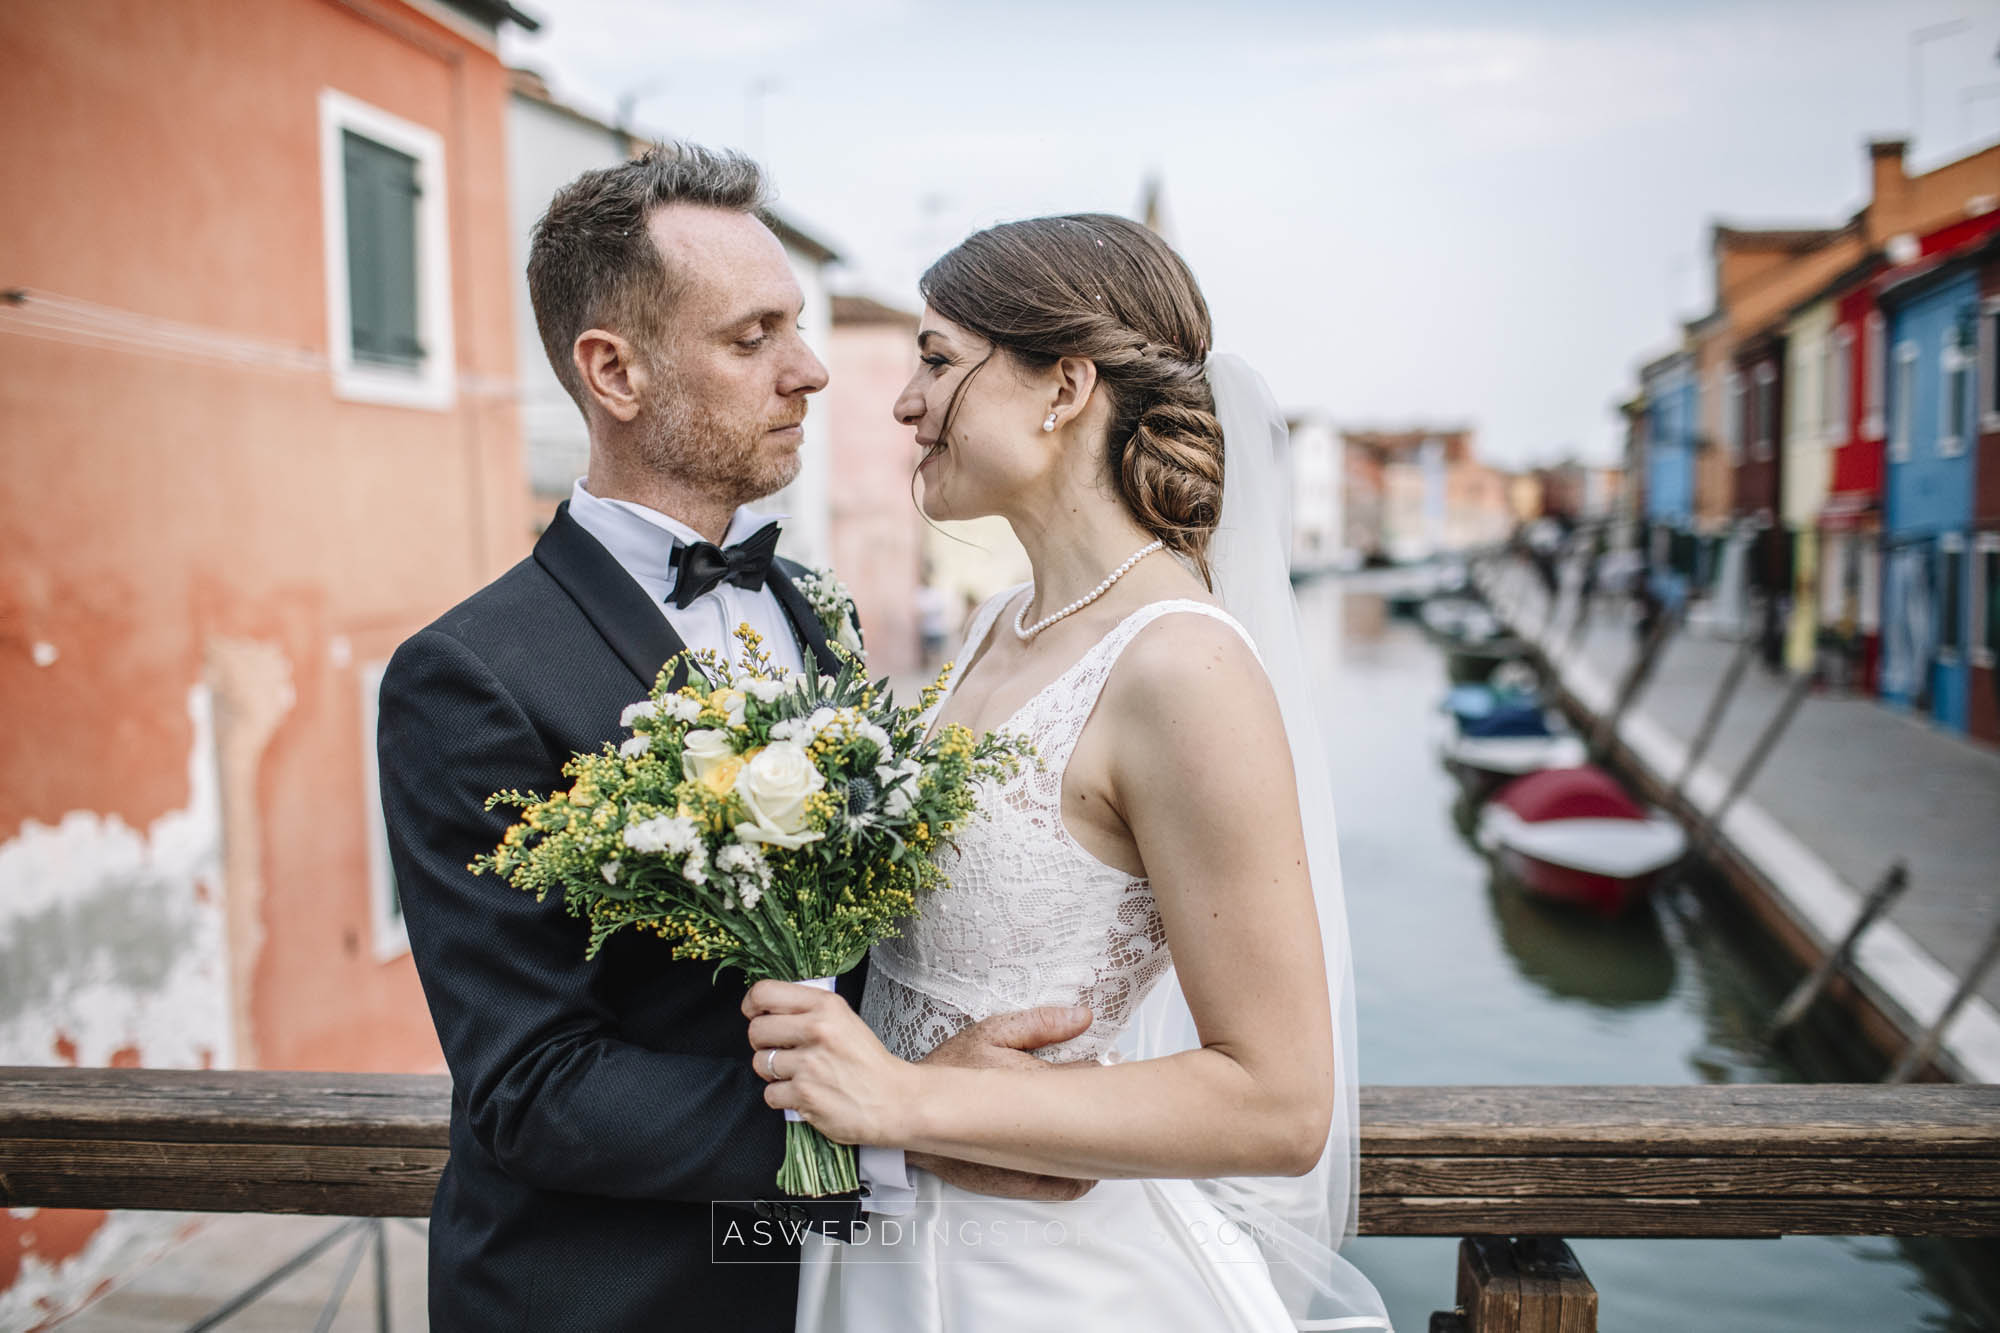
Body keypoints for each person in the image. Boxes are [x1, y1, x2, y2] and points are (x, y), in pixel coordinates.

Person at [375, 144, 1092, 1333]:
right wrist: (900, 1124)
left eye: (798, 327)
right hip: (611, 1298)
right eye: (753, 336)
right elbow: (531, 1087)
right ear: (614, 371)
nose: (808, 371)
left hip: (848, 1285)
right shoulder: (468, 677)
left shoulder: (819, 610)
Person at [749, 215, 1390, 1331]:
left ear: (1062, 387)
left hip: (1048, 1283)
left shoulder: (1180, 664)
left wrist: (905, 1097)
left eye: (938, 359)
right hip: (892, 1244)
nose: (904, 402)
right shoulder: (1000, 626)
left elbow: (1281, 1102)